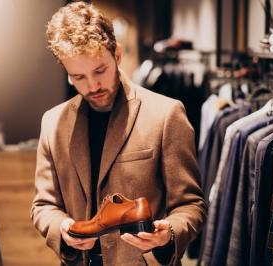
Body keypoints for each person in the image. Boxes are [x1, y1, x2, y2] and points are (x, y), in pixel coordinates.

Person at [31, 2, 207, 265]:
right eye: (78, 77)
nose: (92, 86)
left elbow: (191, 205)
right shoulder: (53, 123)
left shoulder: (166, 114)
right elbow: (43, 206)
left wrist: (167, 234)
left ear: (118, 55)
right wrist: (63, 228)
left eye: (100, 71)